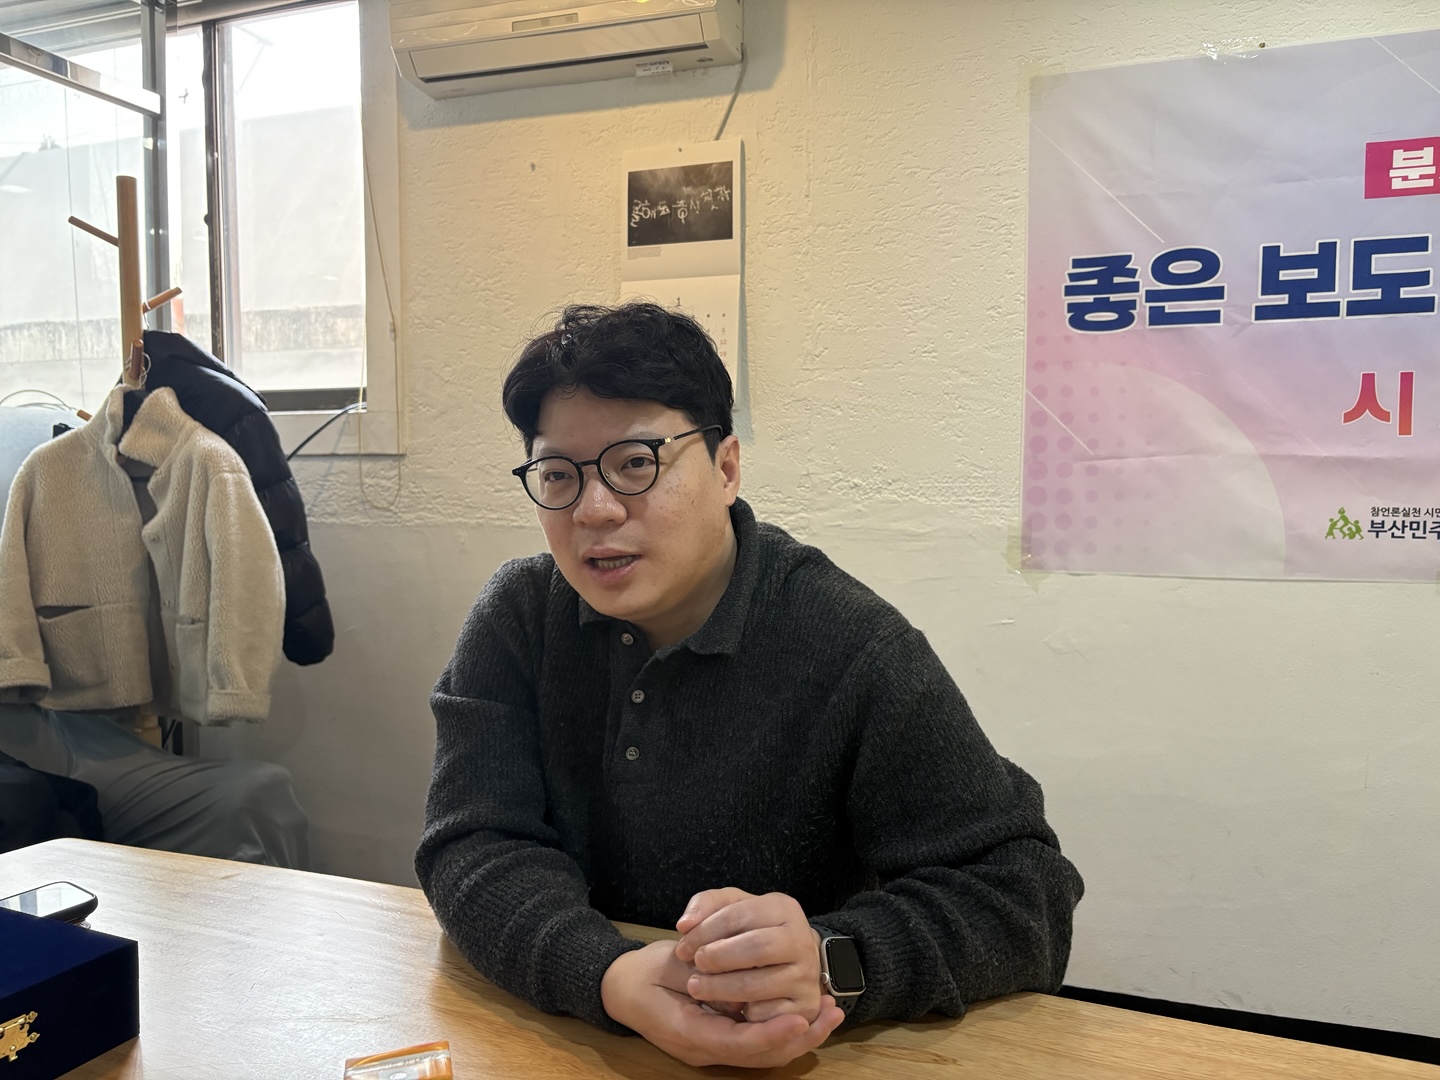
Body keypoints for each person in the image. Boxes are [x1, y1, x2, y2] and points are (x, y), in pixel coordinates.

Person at [415, 302, 1083, 1069]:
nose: (594, 510)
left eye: (636, 463)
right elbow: (472, 840)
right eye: (559, 475)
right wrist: (607, 976)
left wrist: (832, 959)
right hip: (568, 1044)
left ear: (726, 467)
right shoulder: (521, 615)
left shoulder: (850, 643)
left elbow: (1023, 896)